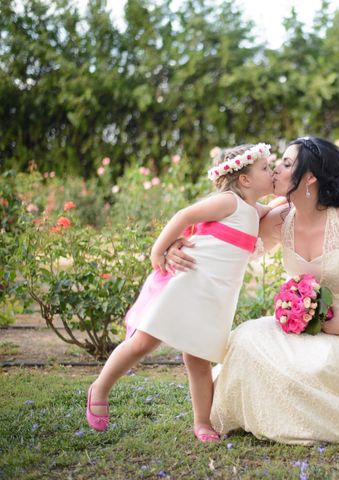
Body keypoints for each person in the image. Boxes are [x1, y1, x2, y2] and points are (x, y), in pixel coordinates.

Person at [169, 136, 339, 444]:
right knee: (244, 339)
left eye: (286, 163)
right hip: (309, 326)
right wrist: (178, 242)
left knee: (313, 368)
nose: (276, 170)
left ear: (309, 177)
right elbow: (225, 238)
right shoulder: (281, 219)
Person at [85, 143, 274, 442]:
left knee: (199, 360)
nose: (273, 171)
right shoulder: (229, 202)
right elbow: (184, 215)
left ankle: (202, 423)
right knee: (143, 342)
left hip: (215, 297)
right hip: (189, 282)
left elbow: (280, 208)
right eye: (266, 168)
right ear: (245, 179)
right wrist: (158, 250)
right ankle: (101, 387)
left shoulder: (255, 210)